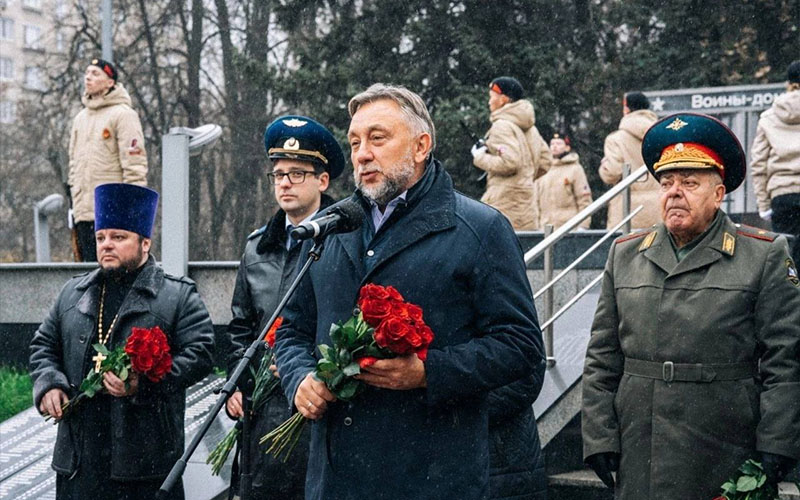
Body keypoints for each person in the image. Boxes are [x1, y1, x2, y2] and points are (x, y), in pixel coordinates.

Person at [274, 83, 545, 499]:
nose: (362, 153)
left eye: (377, 138)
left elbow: (520, 348)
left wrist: (429, 372)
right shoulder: (330, 227)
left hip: (431, 475)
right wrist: (300, 380)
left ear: (421, 146)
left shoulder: (480, 228)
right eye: (355, 142)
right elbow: (292, 329)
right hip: (337, 479)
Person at [582, 113, 800, 499]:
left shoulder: (762, 255)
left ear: (718, 194)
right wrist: (599, 436)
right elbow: (602, 357)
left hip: (723, 449)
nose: (674, 192)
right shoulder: (626, 254)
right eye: (666, 183)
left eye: (689, 182)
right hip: (641, 449)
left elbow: (786, 360)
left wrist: (777, 443)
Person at [29, 183, 215, 500]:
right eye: (101, 238)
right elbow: (43, 347)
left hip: (146, 463)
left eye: (118, 237)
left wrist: (144, 384)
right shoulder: (72, 293)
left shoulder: (177, 294)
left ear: (145, 243)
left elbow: (201, 355)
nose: (106, 245)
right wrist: (49, 385)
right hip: (79, 464)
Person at [224, 115, 343, 499]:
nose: (285, 183)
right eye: (278, 174)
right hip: (263, 413)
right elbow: (242, 325)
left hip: (323, 404)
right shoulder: (257, 247)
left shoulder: (347, 240)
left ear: (322, 181)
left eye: (297, 173)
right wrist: (236, 387)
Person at [68, 58, 148, 262]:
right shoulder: (80, 118)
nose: (88, 77)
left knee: (113, 273)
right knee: (87, 274)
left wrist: (133, 211)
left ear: (110, 82)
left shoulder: (123, 115)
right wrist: (74, 206)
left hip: (113, 210)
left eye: (95, 74)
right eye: (87, 73)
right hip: (84, 212)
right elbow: (73, 167)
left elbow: (135, 166)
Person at [472, 76, 551, 230]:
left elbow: (509, 163)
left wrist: (480, 157)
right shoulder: (531, 128)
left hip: (504, 204)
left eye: (491, 97)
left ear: (503, 100)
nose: (489, 102)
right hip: (527, 205)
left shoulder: (501, 126)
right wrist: (524, 179)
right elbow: (546, 161)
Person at [750, 60, 800, 264]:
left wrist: (764, 204)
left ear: (789, 83)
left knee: (787, 257)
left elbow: (758, 164)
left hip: (782, 196)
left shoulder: (768, 118)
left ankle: (792, 294)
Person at [599, 91, 660, 229]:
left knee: (625, 248)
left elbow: (611, 173)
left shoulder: (615, 139)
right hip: (659, 207)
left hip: (626, 210)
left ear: (626, 109)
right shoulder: (661, 135)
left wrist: (603, 167)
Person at [536, 133, 593, 229]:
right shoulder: (543, 170)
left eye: (558, 144)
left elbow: (584, 200)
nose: (554, 147)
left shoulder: (575, 169)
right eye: (552, 144)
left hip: (568, 228)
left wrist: (583, 226)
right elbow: (535, 202)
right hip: (544, 228)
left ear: (567, 148)